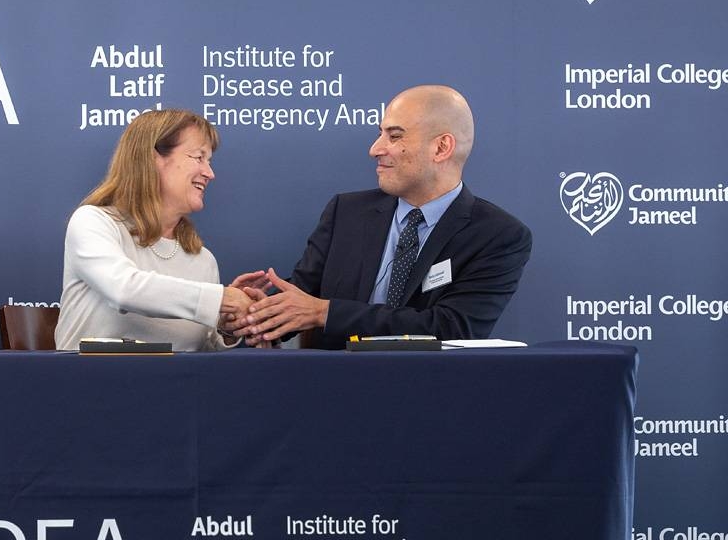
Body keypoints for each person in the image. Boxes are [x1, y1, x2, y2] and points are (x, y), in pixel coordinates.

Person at [228, 84, 531, 348]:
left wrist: (325, 312)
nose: (375, 149)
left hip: (431, 396)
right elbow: (300, 301)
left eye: (395, 136)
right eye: (380, 134)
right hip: (329, 391)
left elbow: (452, 330)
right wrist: (254, 311)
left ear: (441, 147)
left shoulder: (498, 235)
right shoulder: (345, 213)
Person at [55, 109, 258, 351]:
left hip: (176, 387)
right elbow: (123, 289)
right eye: (198, 157)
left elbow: (203, 353)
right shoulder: (93, 222)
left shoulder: (203, 260)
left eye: (210, 161)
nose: (209, 173)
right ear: (152, 159)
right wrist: (221, 299)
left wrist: (226, 325)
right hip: (92, 384)